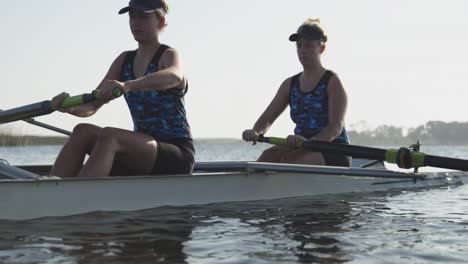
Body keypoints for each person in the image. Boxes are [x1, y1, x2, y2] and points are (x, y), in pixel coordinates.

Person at [50, 0, 194, 178]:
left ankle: (79, 197)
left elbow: (175, 76)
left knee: (111, 136)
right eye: (132, 16)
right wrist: (69, 107)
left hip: (176, 152)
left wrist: (128, 85)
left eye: (143, 17)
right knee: (82, 131)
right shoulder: (124, 61)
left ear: (161, 22)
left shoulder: (169, 55)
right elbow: (93, 105)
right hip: (140, 149)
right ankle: (50, 190)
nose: (135, 22)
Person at [242, 18, 351, 167]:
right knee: (268, 156)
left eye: (308, 46)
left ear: (321, 48)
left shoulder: (332, 82)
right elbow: (267, 118)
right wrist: (255, 131)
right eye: (299, 46)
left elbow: (335, 128)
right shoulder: (290, 84)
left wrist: (310, 143)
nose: (302, 51)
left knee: (291, 161)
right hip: (301, 145)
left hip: (333, 149)